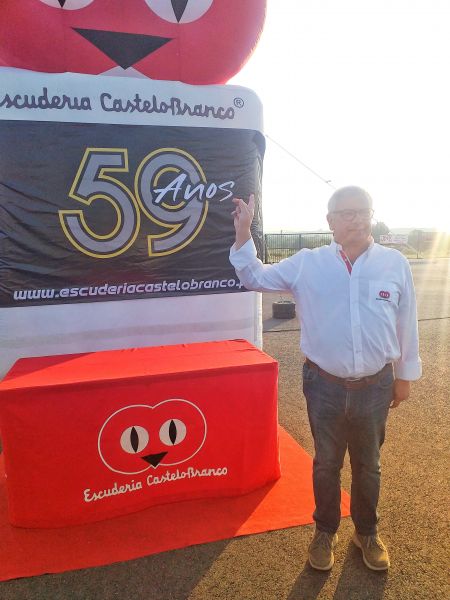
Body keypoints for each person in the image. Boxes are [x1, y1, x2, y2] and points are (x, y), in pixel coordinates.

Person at [229, 186, 421, 571]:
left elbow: (406, 321)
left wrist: (405, 375)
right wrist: (244, 233)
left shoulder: (393, 263)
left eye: (363, 211)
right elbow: (254, 277)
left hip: (376, 385)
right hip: (324, 385)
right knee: (326, 463)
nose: (357, 219)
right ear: (330, 221)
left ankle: (366, 532)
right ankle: (325, 531)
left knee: (369, 464)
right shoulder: (308, 263)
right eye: (347, 213)